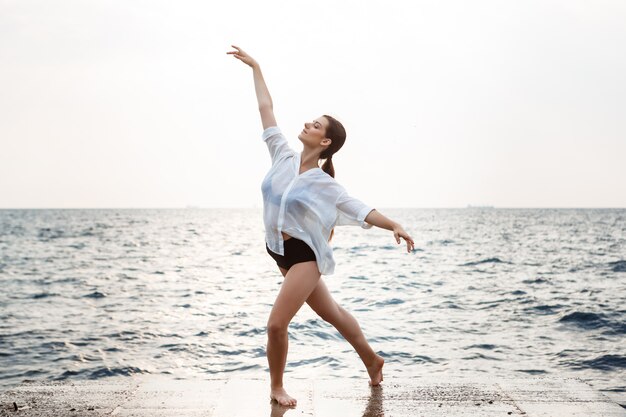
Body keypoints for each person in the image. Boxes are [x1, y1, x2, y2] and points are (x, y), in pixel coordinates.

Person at [227, 45, 416, 408]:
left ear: (324, 142)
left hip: (304, 257)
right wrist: (256, 67)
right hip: (278, 252)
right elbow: (266, 109)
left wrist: (393, 224)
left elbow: (360, 209)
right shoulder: (282, 155)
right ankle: (373, 361)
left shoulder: (325, 184)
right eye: (311, 120)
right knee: (335, 315)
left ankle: (277, 388)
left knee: (276, 325)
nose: (308, 124)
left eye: (316, 125)